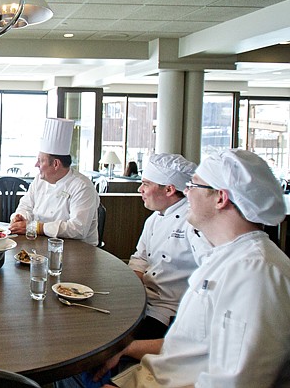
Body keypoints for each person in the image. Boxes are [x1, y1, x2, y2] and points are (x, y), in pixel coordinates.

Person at [98, 149, 290, 387]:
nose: (185, 192)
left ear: (220, 198)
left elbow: (234, 381)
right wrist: (129, 348)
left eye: (193, 186)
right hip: (152, 375)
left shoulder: (256, 274)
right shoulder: (223, 257)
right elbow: (190, 345)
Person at [128, 153, 210, 341]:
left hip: (170, 311)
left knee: (115, 343)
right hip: (144, 299)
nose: (140, 189)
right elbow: (140, 259)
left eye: (146, 184)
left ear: (169, 190)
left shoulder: (193, 222)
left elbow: (208, 274)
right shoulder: (154, 218)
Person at [9, 118, 100, 245]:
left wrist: (37, 227)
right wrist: (20, 217)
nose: (36, 165)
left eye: (41, 161)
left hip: (79, 252)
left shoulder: (82, 187)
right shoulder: (39, 180)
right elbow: (25, 205)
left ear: (56, 164)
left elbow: (78, 229)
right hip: (41, 244)